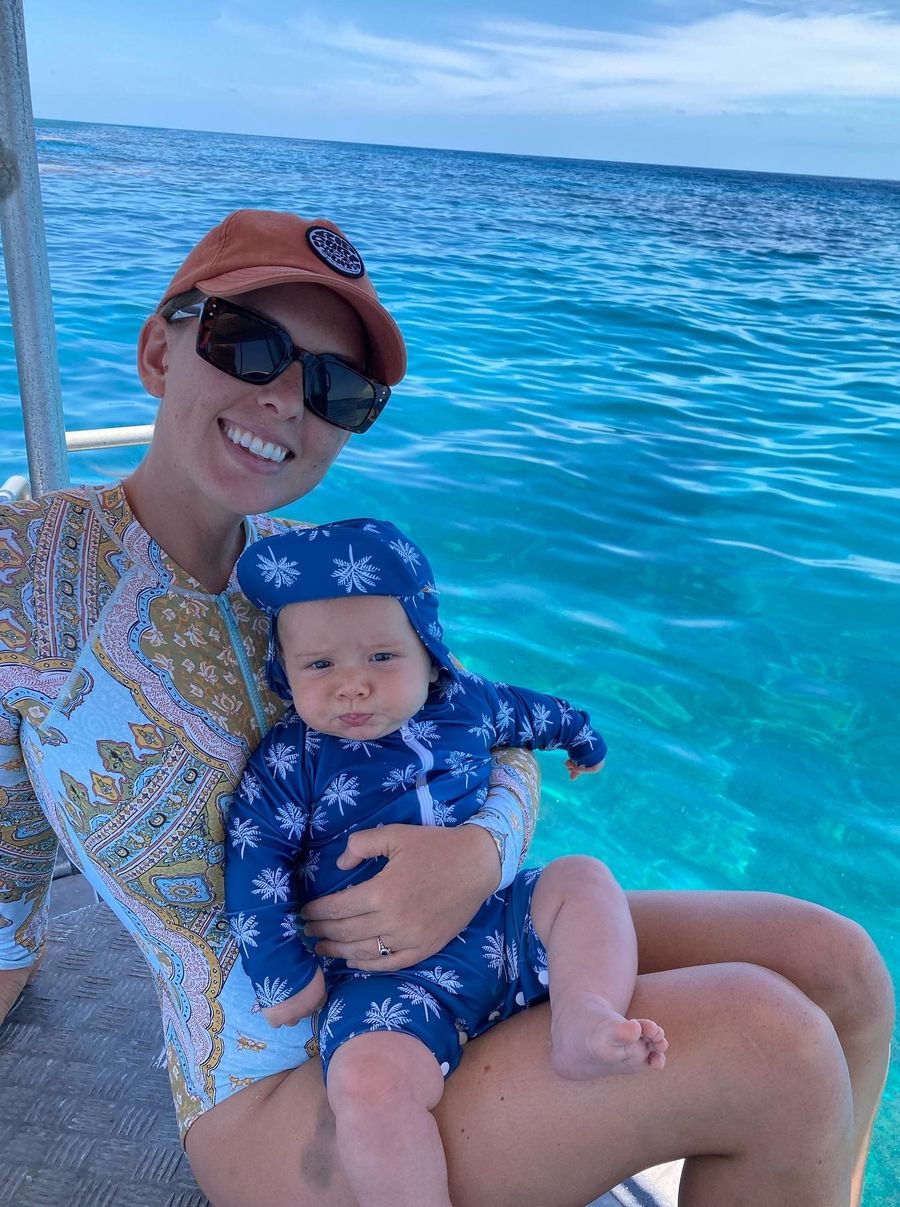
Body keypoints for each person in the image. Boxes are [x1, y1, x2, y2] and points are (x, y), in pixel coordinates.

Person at [0, 207, 891, 1207]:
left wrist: (478, 857)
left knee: (838, 966)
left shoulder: (318, 570)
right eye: (247, 345)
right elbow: (1, 878)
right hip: (288, 1076)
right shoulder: (24, 578)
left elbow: (477, 720)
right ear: (159, 349)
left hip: (469, 942)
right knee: (770, 1047)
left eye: (337, 388)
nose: (287, 399)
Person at [226, 517, 667, 1206]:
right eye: (319, 665)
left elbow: (536, 713)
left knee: (581, 879)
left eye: (380, 657)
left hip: (499, 925)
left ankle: (584, 1016)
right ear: (286, 674)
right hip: (384, 985)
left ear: (430, 652)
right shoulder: (291, 760)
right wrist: (283, 974)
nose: (352, 686)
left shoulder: (468, 704)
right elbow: (256, 861)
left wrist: (583, 736)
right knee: (366, 1083)